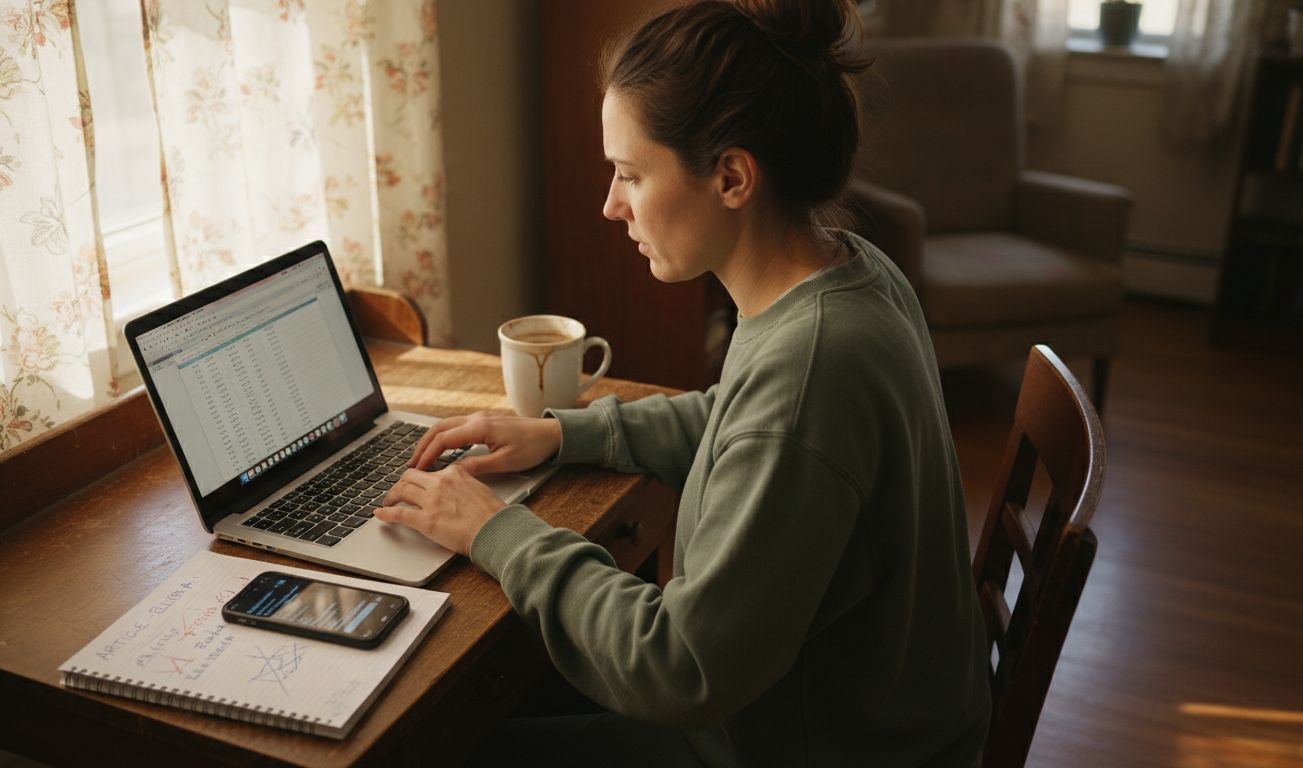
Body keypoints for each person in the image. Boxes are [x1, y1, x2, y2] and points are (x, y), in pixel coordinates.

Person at [375, 0, 990, 764]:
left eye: (630, 174)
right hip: (857, 711)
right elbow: (739, 421)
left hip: (813, 744)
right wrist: (564, 432)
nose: (610, 204)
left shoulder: (810, 370)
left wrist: (492, 531)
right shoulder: (849, 275)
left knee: (436, 738)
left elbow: (680, 669)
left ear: (732, 176)